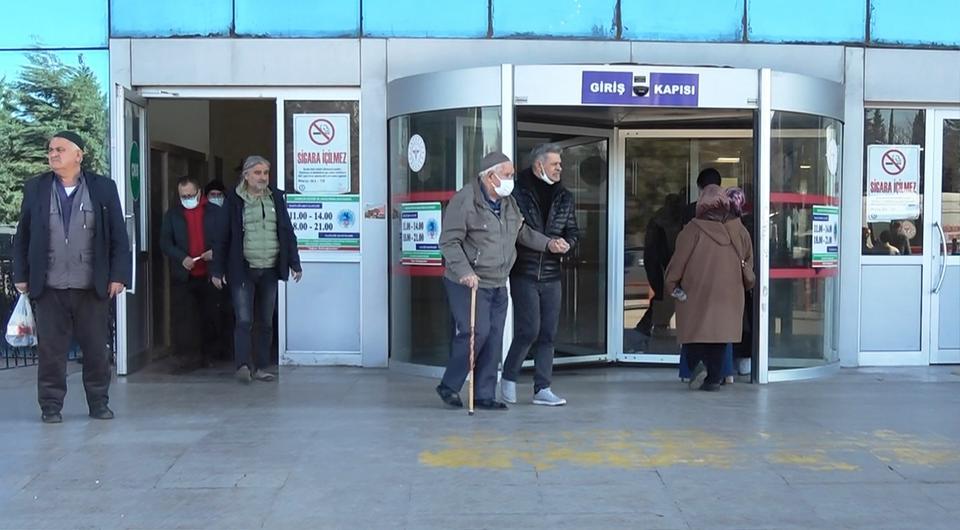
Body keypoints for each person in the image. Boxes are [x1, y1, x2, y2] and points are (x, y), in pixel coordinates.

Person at [12, 131, 131, 423]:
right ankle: (50, 407)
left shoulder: (103, 188)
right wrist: (21, 274)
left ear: (79, 155)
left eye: (60, 149)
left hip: (91, 284)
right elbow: (22, 235)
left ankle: (99, 403)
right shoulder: (36, 188)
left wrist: (118, 275)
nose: (53, 154)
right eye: (50, 149)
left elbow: (118, 234)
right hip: (49, 285)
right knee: (51, 351)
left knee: (95, 349)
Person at [435, 152, 565, 411]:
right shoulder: (465, 201)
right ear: (490, 176)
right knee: (477, 332)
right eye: (507, 175)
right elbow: (448, 242)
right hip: (468, 281)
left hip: (497, 280)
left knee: (494, 337)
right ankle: (449, 385)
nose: (511, 179)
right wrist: (465, 272)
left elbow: (522, 232)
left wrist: (548, 244)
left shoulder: (508, 203)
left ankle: (484, 394)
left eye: (512, 174)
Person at [211, 156, 303, 384]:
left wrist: (294, 262)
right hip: (243, 268)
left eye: (265, 173)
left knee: (266, 320)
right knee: (244, 319)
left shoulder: (276, 198)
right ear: (246, 175)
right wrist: (217, 269)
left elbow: (287, 231)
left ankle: (261, 367)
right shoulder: (233, 200)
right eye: (258, 173)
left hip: (270, 267)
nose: (262, 177)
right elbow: (222, 237)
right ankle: (243, 365)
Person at [501, 143, 579, 406]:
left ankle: (542, 389)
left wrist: (567, 244)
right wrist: (547, 243)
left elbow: (572, 232)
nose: (560, 168)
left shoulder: (565, 197)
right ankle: (509, 377)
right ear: (539, 165)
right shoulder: (516, 192)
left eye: (560, 164)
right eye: (555, 163)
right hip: (523, 271)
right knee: (528, 330)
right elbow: (516, 233)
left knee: (548, 333)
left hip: (552, 274)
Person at [665, 184, 754, 391]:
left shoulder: (692, 230)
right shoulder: (739, 229)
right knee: (720, 337)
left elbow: (678, 262)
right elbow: (749, 260)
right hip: (730, 294)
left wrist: (671, 284)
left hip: (697, 292)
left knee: (695, 333)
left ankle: (699, 366)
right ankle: (714, 379)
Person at [678, 168, 735, 382]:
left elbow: (683, 245)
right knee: (723, 327)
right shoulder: (730, 212)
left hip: (696, 276)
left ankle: (689, 371)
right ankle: (726, 372)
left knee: (693, 325)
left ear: (700, 188)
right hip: (725, 277)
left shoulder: (690, 211)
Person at [159, 175, 221, 372]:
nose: (187, 199)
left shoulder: (215, 212)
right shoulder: (173, 215)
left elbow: (226, 237)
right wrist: (181, 258)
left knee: (210, 315)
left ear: (199, 193)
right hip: (184, 275)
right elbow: (165, 243)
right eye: (183, 196)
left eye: (190, 195)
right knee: (185, 319)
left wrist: (215, 253)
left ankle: (208, 355)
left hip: (209, 273)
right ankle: (187, 358)